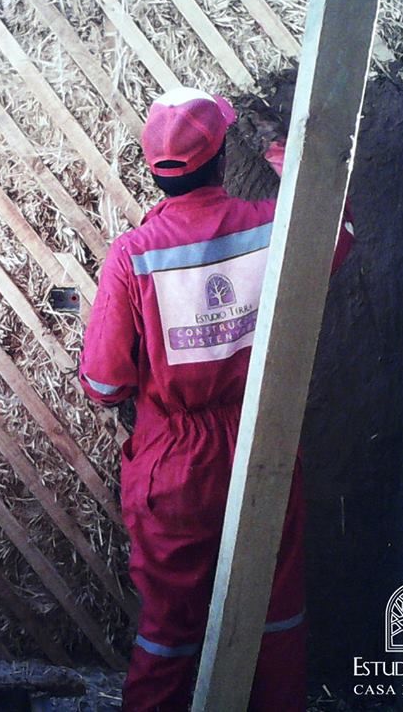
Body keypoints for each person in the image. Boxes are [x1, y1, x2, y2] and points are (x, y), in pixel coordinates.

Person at [79, 87, 354, 711]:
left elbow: (103, 384)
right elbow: (336, 232)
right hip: (264, 440)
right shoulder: (269, 225)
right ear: (222, 156)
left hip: (175, 463)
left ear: (153, 168)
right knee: (275, 614)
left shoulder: (133, 256)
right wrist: (287, 156)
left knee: (171, 631)